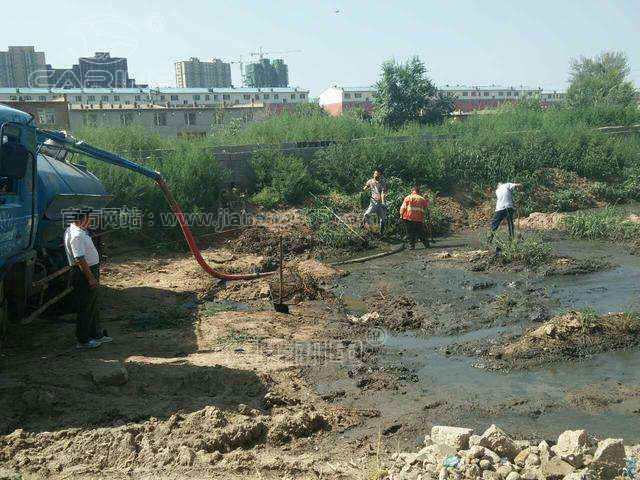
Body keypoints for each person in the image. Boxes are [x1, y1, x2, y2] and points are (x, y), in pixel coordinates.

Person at [63, 207, 112, 349]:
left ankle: (96, 334)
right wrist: (90, 278)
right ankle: (83, 340)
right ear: (82, 218)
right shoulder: (77, 234)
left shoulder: (77, 231)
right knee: (86, 307)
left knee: (92, 305)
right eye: (90, 218)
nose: (91, 221)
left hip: (90, 271)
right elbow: (79, 259)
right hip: (84, 274)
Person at [399, 184, 430, 250]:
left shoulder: (408, 197)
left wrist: (401, 215)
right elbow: (426, 207)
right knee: (421, 233)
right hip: (419, 219)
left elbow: (403, 207)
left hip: (409, 218)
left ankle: (412, 246)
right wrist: (426, 199)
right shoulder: (422, 199)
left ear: (412, 190)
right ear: (418, 191)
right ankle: (427, 245)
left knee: (410, 233)